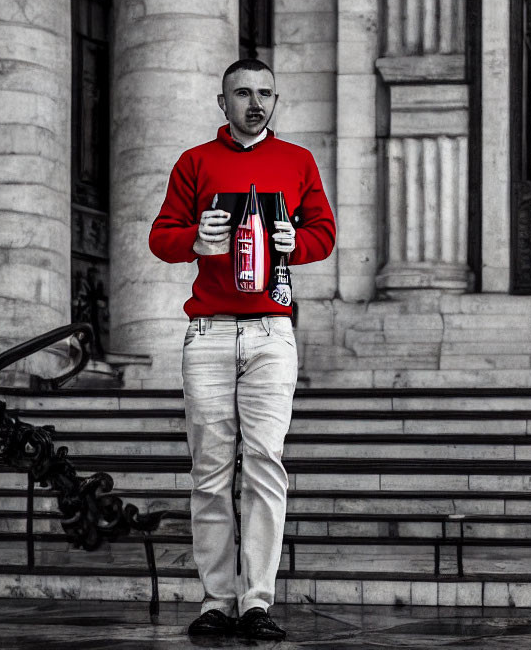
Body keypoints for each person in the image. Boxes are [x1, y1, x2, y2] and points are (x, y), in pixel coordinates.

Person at [149, 59, 336, 641]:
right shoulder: (195, 161)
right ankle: (214, 601)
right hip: (208, 331)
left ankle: (255, 602)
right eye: (243, 93)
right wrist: (194, 241)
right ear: (223, 102)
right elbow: (160, 236)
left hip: (271, 332)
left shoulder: (298, 162)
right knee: (209, 471)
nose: (256, 103)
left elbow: (324, 233)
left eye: (266, 93)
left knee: (263, 467)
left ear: (275, 101)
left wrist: (295, 242)